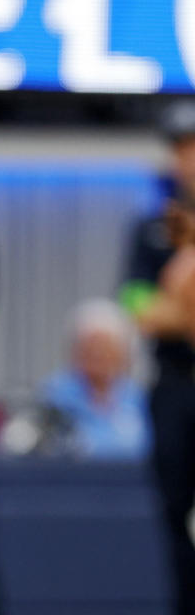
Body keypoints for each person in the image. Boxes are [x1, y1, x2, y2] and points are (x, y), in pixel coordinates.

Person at [122, 99, 195, 615]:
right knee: (176, 516)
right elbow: (141, 311)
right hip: (174, 384)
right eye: (181, 150)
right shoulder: (152, 227)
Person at [40, 300, 150, 461]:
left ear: (124, 355)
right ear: (74, 352)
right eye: (90, 347)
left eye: (105, 348)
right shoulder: (53, 396)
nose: (97, 354)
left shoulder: (139, 397)